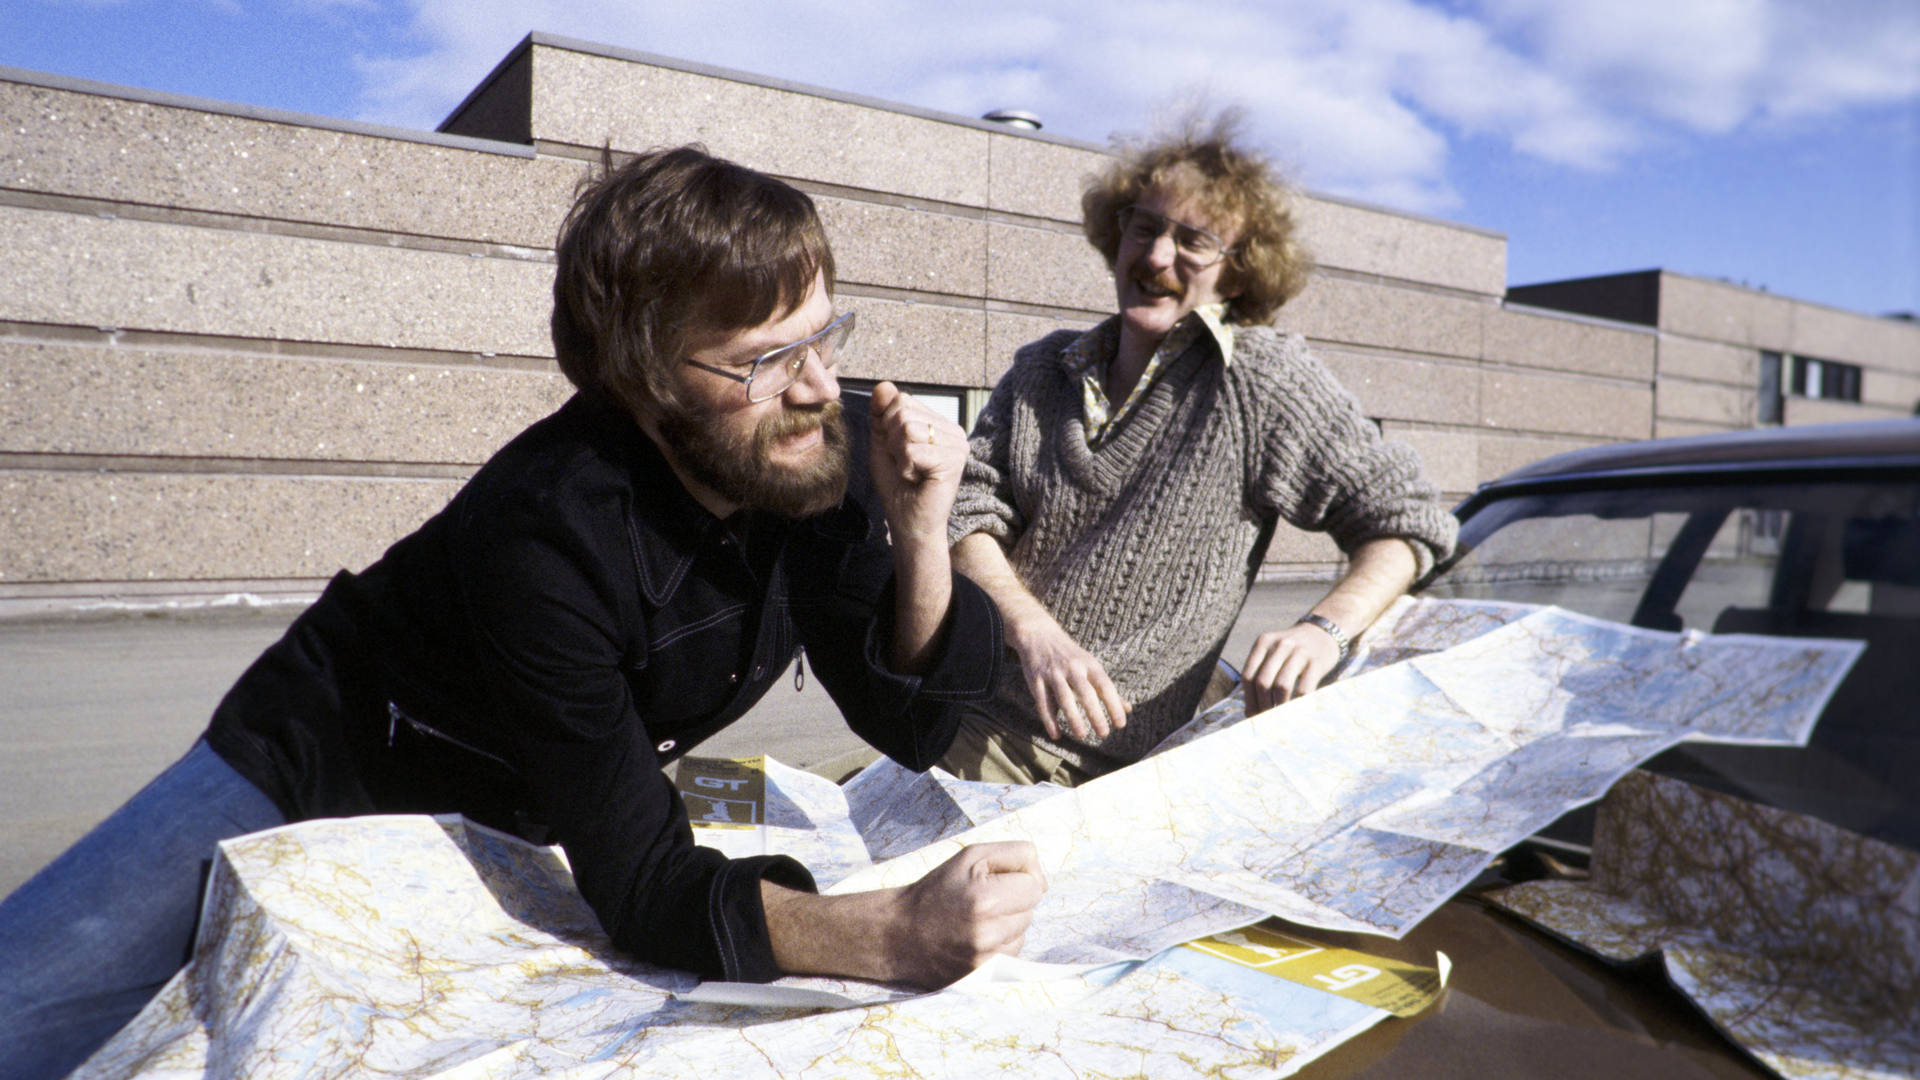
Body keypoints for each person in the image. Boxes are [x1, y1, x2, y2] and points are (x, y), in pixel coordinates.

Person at [0, 147, 1045, 1080]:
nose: (819, 386)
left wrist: (920, 532)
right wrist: (893, 934)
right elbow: (645, 886)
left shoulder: (815, 449)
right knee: (27, 1012)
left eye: (826, 336)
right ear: (646, 381)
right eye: (766, 360)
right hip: (319, 762)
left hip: (511, 816)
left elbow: (912, 725)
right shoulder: (547, 531)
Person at [942, 112, 1458, 786]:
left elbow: (1408, 522)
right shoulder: (1042, 370)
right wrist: (1033, 631)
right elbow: (965, 512)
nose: (1158, 257)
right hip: (961, 712)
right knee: (801, 814)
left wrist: (1323, 630)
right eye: (1144, 227)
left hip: (1092, 772)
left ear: (1237, 275)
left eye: (1193, 241)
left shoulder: (1259, 379)